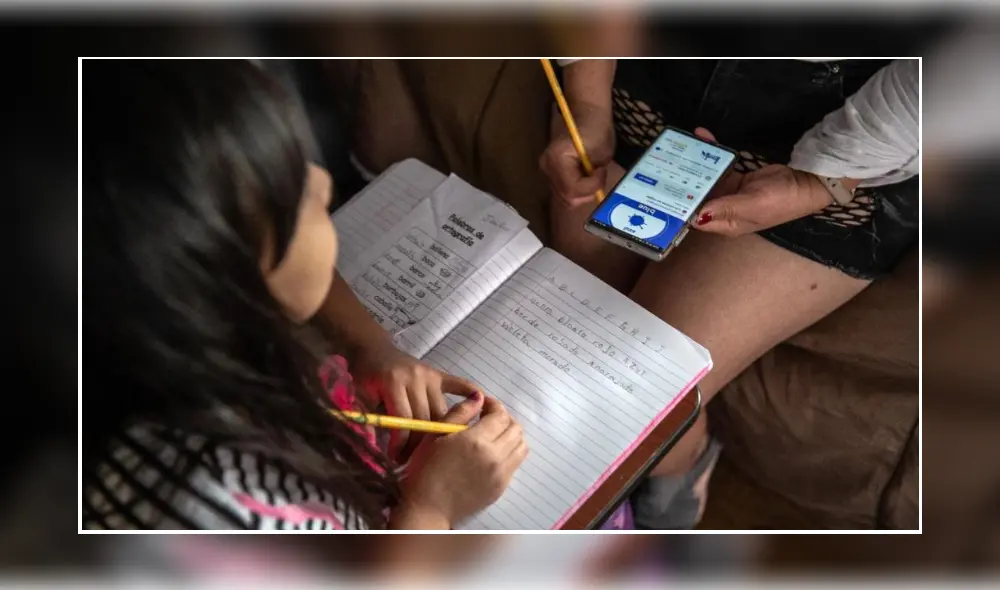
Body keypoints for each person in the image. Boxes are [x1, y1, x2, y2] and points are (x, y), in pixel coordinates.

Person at [82, 60, 527, 536]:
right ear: (228, 276)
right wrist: (432, 509)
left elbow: (296, 273)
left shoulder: (186, 344)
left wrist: (371, 347)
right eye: (295, 193)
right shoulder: (222, 506)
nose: (323, 180)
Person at [540, 59, 918, 529]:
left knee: (628, 399)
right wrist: (585, 104)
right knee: (567, 357)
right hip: (648, 87)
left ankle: (678, 460)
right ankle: (674, 456)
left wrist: (817, 182)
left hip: (856, 138)